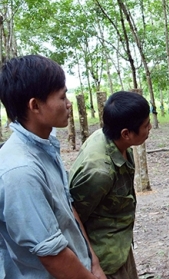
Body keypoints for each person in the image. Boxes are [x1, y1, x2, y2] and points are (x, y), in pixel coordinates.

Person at [0, 55, 104, 278]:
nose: (68, 104)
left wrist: (93, 262)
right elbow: (52, 256)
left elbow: (67, 208)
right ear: (35, 105)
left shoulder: (44, 149)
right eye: (62, 96)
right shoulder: (21, 170)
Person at [69, 91, 151, 278]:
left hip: (118, 247)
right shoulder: (99, 172)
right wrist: (93, 264)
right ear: (126, 134)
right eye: (146, 125)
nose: (150, 128)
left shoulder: (115, 142)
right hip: (104, 260)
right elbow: (73, 219)